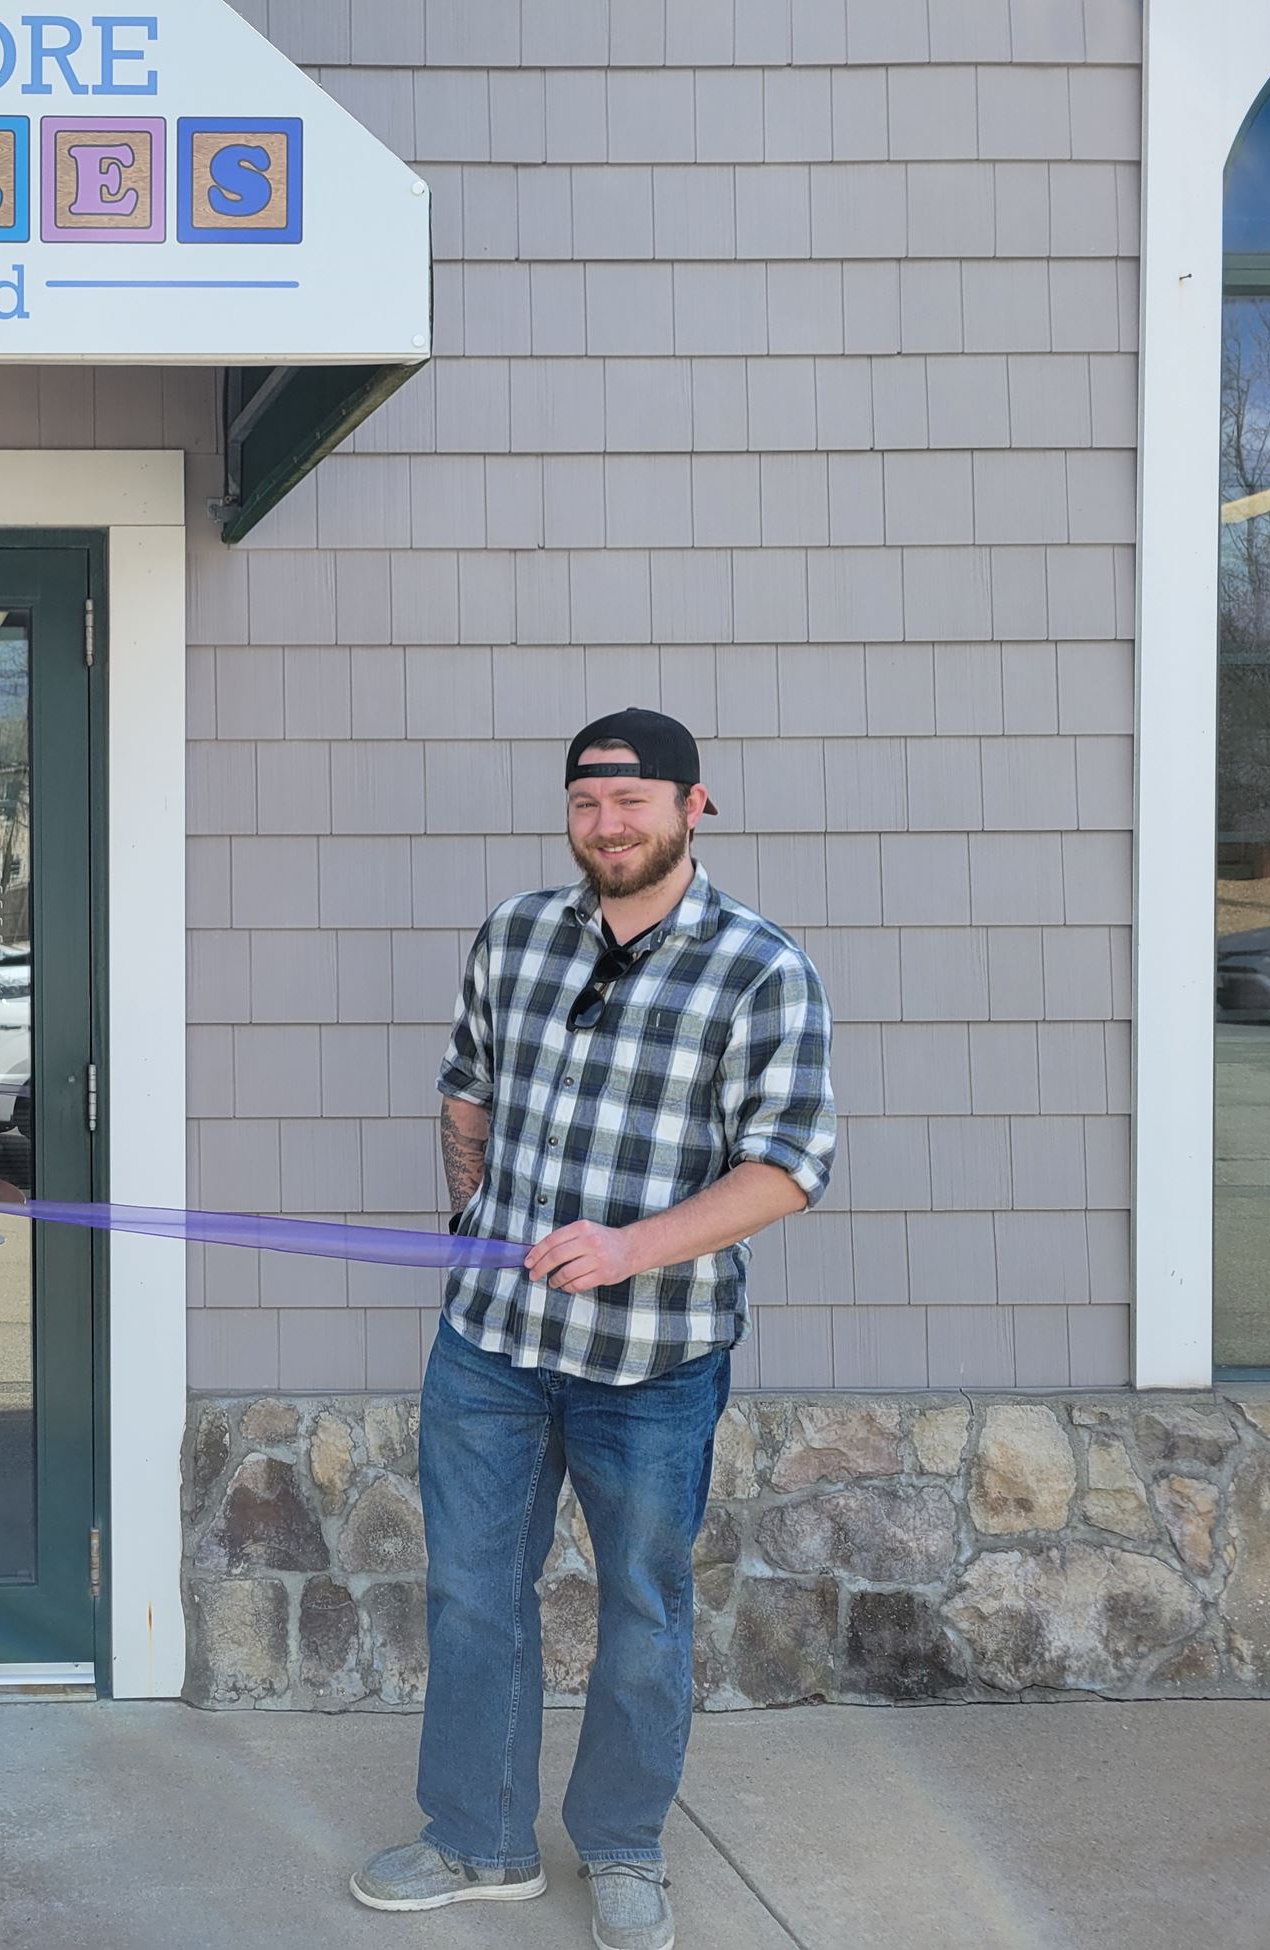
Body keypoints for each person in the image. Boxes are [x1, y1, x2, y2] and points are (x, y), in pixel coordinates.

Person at [352, 710, 836, 1950]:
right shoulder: (515, 935)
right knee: (471, 1597)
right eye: (584, 805)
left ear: (691, 806)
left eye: (630, 803)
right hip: (489, 1349)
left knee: (641, 1610)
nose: (606, 826)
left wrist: (628, 1247)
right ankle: (478, 1839)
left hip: (654, 1361)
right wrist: (471, 1212)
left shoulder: (758, 967)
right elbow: (465, 1081)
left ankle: (622, 1848)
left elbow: (784, 1169)